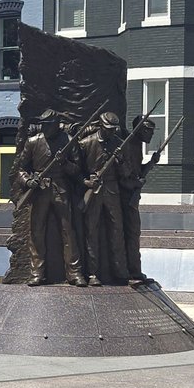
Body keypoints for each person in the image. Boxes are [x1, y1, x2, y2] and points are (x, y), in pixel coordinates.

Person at [18, 110, 86, 287]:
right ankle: (37, 273)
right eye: (43, 124)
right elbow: (21, 168)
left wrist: (64, 162)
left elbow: (77, 170)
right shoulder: (33, 142)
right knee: (37, 231)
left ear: (56, 124)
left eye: (48, 124)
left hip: (60, 189)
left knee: (68, 231)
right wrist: (28, 180)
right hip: (40, 190)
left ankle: (74, 273)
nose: (44, 128)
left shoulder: (69, 141)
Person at [78, 112, 130, 286]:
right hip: (93, 191)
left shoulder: (118, 144)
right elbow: (76, 171)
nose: (110, 133)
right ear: (100, 126)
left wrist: (120, 160)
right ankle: (92, 273)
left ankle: (120, 271)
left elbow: (126, 174)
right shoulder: (86, 144)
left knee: (117, 230)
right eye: (107, 129)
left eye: (113, 129)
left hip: (112, 190)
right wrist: (86, 181)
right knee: (91, 231)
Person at [119, 115, 160, 283]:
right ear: (140, 130)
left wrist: (151, 163)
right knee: (130, 233)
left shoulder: (137, 146)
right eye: (149, 131)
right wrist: (135, 182)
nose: (151, 135)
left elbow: (137, 171)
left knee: (134, 233)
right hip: (124, 197)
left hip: (132, 195)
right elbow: (122, 175)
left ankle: (134, 270)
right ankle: (130, 271)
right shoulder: (128, 145)